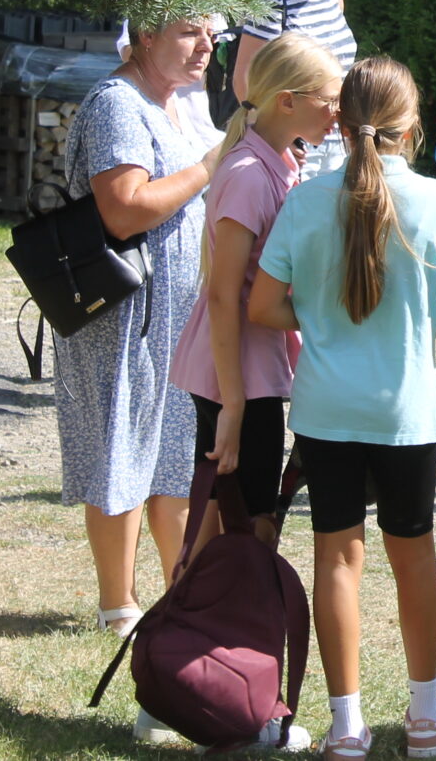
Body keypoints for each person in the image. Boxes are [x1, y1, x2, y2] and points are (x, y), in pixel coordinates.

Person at [249, 57, 436, 761]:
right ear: (411, 127)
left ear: (341, 124)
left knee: (337, 558)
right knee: (413, 555)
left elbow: (263, 305)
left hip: (326, 409)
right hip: (406, 411)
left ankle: (346, 725)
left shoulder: (304, 202)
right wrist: (411, 325)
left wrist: (321, 320)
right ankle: (424, 715)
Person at [59, 14, 220, 745]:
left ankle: (174, 594)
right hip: (121, 315)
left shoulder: (178, 102)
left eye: (211, 32)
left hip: (175, 313)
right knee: (121, 446)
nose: (206, 44)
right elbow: (123, 210)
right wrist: (210, 167)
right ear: (146, 35)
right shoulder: (116, 104)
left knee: (174, 455)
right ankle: (117, 604)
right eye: (190, 31)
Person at [167, 33, 342, 552]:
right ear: (287, 101)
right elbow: (224, 295)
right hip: (238, 372)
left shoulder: (278, 161)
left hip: (246, 365)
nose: (337, 113)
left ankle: (195, 599)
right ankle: (221, 602)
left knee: (223, 510)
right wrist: (234, 404)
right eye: (329, 100)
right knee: (251, 524)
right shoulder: (249, 174)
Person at [237, 0, 357, 176]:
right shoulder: (272, 1)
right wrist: (277, 138)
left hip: (337, 136)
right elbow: (244, 80)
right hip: (297, 145)